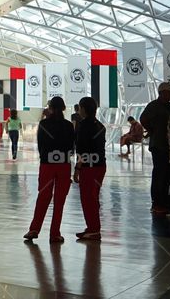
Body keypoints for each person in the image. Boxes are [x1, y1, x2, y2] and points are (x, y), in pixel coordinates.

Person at [24, 96, 74, 243]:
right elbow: (72, 147)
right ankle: (55, 233)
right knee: (59, 200)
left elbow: (40, 145)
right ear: (64, 108)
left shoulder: (44, 124)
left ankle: (34, 229)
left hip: (47, 165)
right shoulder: (69, 125)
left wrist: (45, 158)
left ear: (50, 108)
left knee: (43, 197)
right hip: (64, 165)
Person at [140, 82, 170, 214]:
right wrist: (152, 131)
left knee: (167, 174)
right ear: (162, 93)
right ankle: (157, 202)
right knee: (159, 173)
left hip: (169, 145)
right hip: (158, 145)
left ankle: (165, 200)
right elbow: (143, 119)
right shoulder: (154, 106)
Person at [73, 96, 106, 240]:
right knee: (93, 197)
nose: (79, 110)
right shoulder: (100, 125)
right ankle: (92, 226)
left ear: (84, 109)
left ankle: (94, 229)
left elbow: (82, 150)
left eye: (80, 107)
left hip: (89, 167)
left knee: (87, 198)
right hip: (100, 166)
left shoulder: (84, 125)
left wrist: (77, 169)